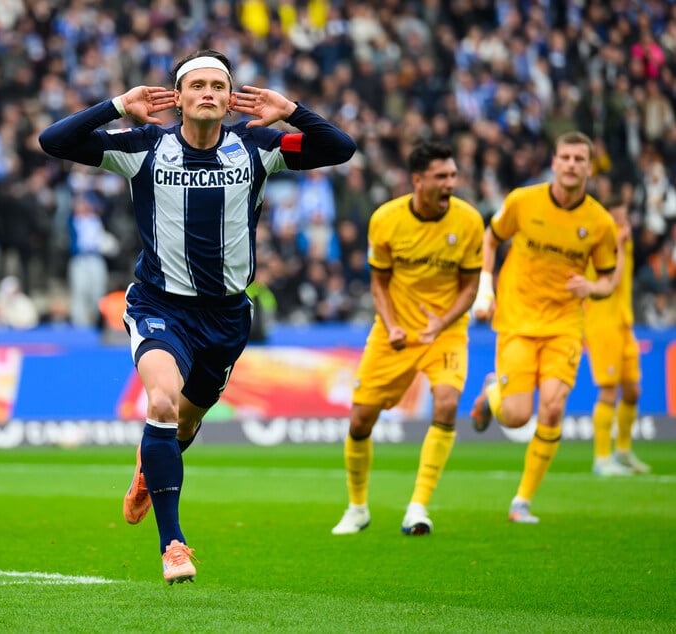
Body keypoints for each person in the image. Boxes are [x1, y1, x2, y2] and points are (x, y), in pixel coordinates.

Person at [39, 49, 356, 584]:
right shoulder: (144, 147)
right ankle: (174, 546)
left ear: (231, 99)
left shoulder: (259, 146)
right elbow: (54, 141)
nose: (208, 93)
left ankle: (148, 470)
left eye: (218, 86)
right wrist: (117, 105)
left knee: (185, 421)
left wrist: (294, 110)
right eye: (197, 85)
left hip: (228, 318)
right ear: (179, 97)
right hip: (161, 305)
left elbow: (339, 149)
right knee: (161, 402)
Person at [330, 141, 484, 537]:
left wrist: (442, 322)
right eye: (441, 177)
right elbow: (378, 282)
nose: (450, 183)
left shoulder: (468, 221)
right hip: (393, 333)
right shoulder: (385, 219)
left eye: (452, 175)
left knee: (447, 403)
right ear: (418, 180)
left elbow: (470, 287)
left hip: (445, 331)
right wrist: (393, 324)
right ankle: (357, 507)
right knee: (361, 420)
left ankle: (418, 507)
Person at [470, 131, 619, 523]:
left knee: (552, 409)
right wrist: (485, 290)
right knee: (517, 416)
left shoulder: (599, 223)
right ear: (554, 162)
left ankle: (521, 502)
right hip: (518, 318)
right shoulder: (523, 201)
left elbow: (608, 278)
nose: (572, 165)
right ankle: (492, 393)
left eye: (579, 160)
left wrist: (593, 287)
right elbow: (491, 238)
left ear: (589, 167)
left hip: (565, 324)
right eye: (565, 157)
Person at [583, 196, 651, 476]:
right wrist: (620, 246)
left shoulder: (624, 241)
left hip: (624, 322)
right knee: (609, 390)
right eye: (616, 218)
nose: (622, 223)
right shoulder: (599, 245)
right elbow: (611, 281)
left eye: (624, 217)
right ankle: (602, 458)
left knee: (633, 390)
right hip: (602, 323)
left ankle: (623, 451)